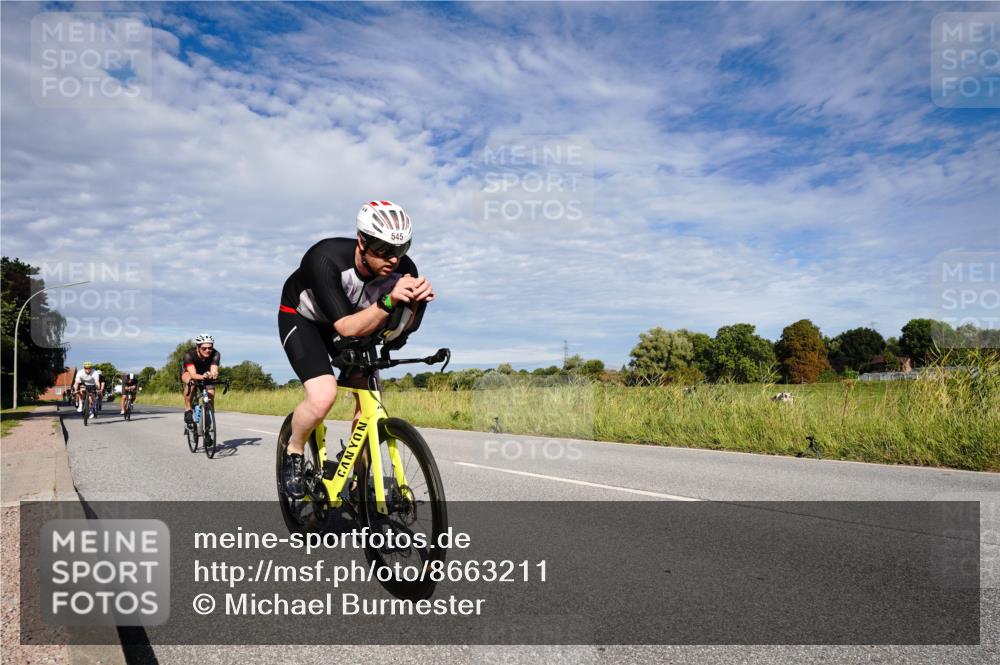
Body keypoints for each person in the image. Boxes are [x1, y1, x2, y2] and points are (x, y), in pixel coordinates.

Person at [278, 200, 434, 498]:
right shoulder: (324, 257)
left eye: (402, 249)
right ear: (362, 242)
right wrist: (389, 301)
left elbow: (396, 335)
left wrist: (416, 305)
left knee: (370, 401)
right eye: (384, 249)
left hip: (358, 322)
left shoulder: (405, 269)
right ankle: (294, 450)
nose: (394, 259)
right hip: (304, 320)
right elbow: (346, 328)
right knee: (323, 396)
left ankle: (358, 479)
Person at [181, 334, 221, 425]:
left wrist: (214, 374)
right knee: (191, 382)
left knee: (211, 393)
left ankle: (209, 420)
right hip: (189, 372)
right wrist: (204, 376)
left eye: (210, 348)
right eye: (204, 348)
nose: (207, 350)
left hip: (205, 373)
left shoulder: (216, 354)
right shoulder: (189, 355)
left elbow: (214, 369)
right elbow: (193, 374)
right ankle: (188, 409)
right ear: (198, 347)